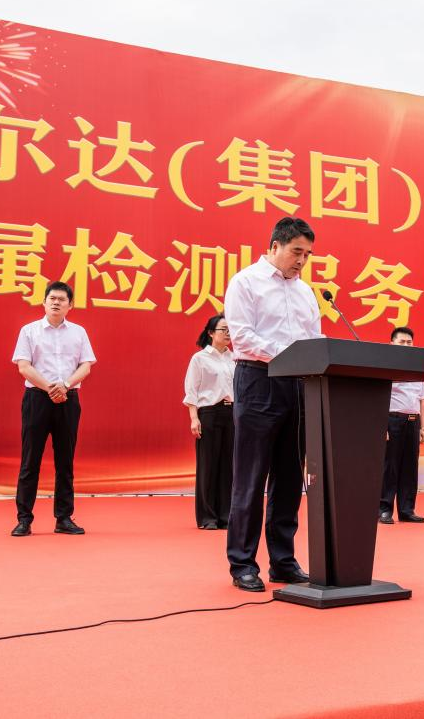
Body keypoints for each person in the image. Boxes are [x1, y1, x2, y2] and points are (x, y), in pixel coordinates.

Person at [223, 217, 323, 592]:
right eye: (297, 251)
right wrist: (291, 355)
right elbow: (244, 337)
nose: (302, 261)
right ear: (275, 246)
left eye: (307, 254)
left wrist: (317, 359)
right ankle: (243, 563)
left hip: (298, 386)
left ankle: (283, 561)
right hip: (258, 380)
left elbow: (314, 338)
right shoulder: (245, 282)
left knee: (289, 478)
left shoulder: (305, 292)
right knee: (251, 477)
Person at [10, 281, 96, 537]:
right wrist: (50, 388)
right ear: (44, 302)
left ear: (71, 305)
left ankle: (64, 517)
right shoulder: (29, 331)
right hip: (37, 399)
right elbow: (24, 366)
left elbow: (86, 366)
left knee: (65, 461)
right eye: (52, 298)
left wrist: (65, 385)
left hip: (68, 400)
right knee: (30, 461)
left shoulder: (79, 332)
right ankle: (24, 519)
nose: (56, 302)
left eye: (62, 299)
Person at [183, 315, 235, 530]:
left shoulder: (236, 358)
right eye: (223, 330)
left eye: (230, 330)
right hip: (209, 413)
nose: (228, 334)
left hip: (232, 413)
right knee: (208, 465)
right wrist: (194, 418)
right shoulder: (200, 358)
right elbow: (192, 391)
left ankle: (225, 515)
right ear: (211, 333)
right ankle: (207, 517)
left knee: (228, 466)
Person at [379, 326, 424, 524]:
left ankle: (407, 509)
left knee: (410, 468)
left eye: (409, 342)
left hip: (412, 421)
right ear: (392, 344)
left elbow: (422, 400)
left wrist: (423, 427)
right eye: (402, 342)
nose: (406, 345)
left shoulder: (417, 367)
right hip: (392, 421)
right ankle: (384, 509)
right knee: (389, 466)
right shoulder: (385, 367)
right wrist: (381, 426)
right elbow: (380, 398)